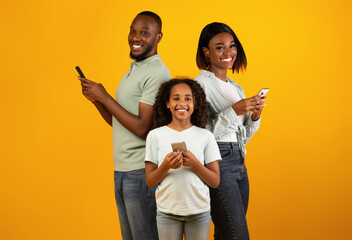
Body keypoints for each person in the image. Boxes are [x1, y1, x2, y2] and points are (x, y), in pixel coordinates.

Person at [78, 11, 171, 240]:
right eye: (132, 30)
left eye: (144, 33)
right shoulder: (134, 70)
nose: (135, 37)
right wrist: (97, 101)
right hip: (123, 170)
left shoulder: (157, 72)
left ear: (158, 37)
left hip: (141, 171)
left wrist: (106, 96)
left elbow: (142, 128)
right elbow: (118, 122)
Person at [194, 22, 267, 240]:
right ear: (206, 52)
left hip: (238, 160)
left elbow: (242, 136)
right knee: (237, 235)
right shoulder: (199, 85)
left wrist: (255, 116)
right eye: (219, 47)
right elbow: (200, 133)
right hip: (218, 161)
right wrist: (234, 111)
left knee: (226, 234)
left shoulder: (236, 87)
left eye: (232, 46)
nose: (228, 52)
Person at [144, 79, 221, 240]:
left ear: (195, 103)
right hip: (167, 213)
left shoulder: (205, 136)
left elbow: (215, 181)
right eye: (176, 98)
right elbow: (150, 181)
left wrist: (194, 164)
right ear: (167, 103)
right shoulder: (155, 135)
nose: (182, 103)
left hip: (199, 212)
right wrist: (165, 165)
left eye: (188, 98)